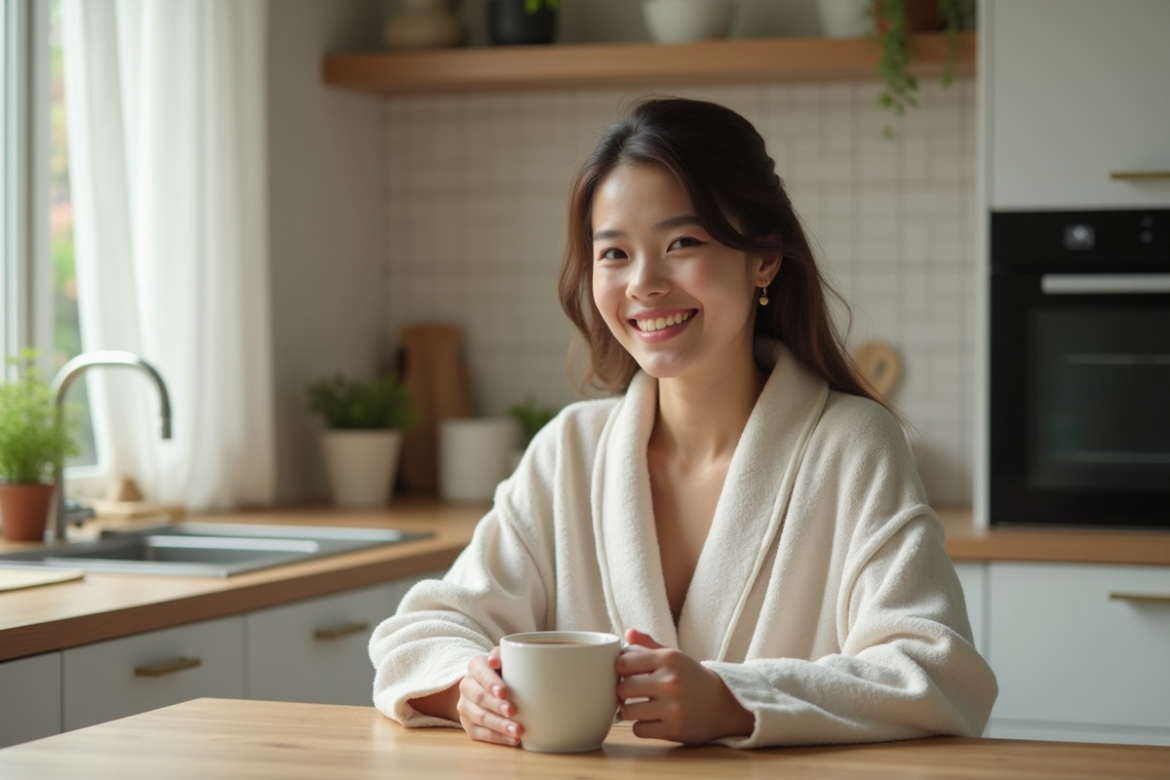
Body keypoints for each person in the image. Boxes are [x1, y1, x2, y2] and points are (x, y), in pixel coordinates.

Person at [369, 97, 997, 749]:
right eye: (615, 254)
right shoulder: (570, 450)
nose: (644, 284)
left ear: (764, 257)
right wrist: (468, 690)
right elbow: (420, 634)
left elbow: (938, 671)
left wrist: (734, 699)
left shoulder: (853, 446)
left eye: (682, 243)